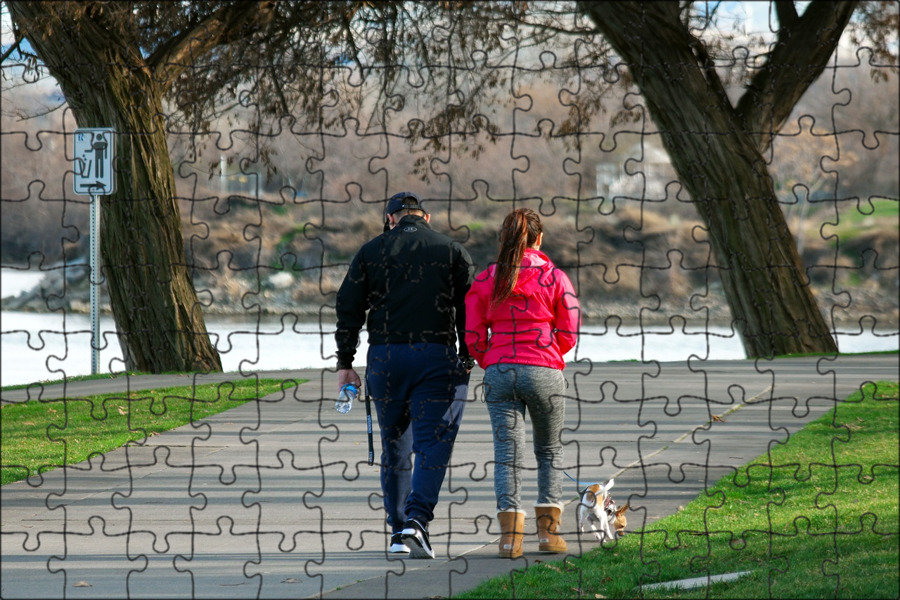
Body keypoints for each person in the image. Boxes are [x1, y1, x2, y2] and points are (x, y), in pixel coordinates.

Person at [335, 191, 476, 559]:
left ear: (390, 219)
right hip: (436, 356)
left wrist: (345, 363)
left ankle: (399, 532)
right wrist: (468, 354)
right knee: (433, 443)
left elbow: (348, 308)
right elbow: (470, 307)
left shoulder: (370, 251)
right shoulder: (451, 251)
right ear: (426, 218)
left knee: (394, 446)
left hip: (385, 358)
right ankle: (417, 521)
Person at [464, 207, 580, 559]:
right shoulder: (555, 277)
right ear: (539, 239)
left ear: (504, 239)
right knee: (549, 450)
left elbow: (472, 334)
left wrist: (491, 359)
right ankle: (548, 535)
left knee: (506, 456)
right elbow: (570, 331)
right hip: (544, 369)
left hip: (500, 372)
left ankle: (509, 540)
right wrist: (550, 355)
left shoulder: (487, 279)